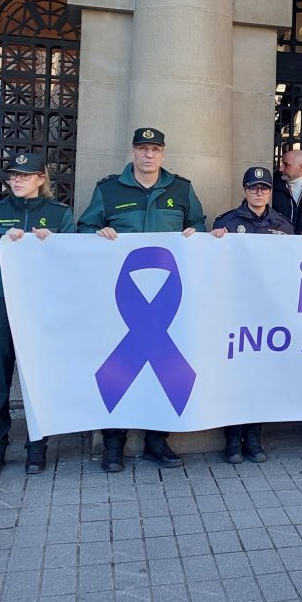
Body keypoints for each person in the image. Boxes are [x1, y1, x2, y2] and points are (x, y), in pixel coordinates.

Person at [77, 127, 206, 472]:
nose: (149, 155)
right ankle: (113, 445)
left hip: (166, 298)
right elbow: (83, 229)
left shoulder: (181, 189)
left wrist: (195, 235)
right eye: (142, 148)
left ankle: (156, 442)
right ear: (132, 152)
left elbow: (198, 227)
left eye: (155, 149)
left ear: (163, 153)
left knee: (158, 371)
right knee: (122, 368)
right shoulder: (108, 189)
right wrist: (97, 233)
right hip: (122, 299)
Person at [0, 152, 74, 475]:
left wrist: (52, 244)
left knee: (37, 379)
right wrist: (4, 242)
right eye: (14, 175)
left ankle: (37, 447)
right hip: (2, 302)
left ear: (41, 179)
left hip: (41, 305)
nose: (17, 180)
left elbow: (73, 260)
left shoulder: (59, 214)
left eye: (25, 175)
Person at [210, 166, 302, 464]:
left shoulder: (284, 225)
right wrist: (214, 241)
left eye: (264, 188)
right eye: (253, 188)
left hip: (267, 313)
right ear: (244, 190)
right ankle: (233, 438)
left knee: (260, 377)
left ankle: (254, 434)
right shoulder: (225, 222)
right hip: (233, 312)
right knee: (234, 376)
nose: (259, 193)